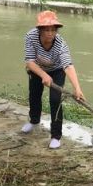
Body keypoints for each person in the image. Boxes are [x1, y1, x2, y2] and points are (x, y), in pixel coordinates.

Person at [21, 10, 84, 149]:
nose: (50, 33)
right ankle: (34, 121)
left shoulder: (60, 44)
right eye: (46, 30)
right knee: (34, 94)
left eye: (53, 30)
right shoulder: (31, 36)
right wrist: (43, 75)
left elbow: (68, 65)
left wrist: (77, 88)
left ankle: (56, 136)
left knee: (55, 100)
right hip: (37, 68)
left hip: (56, 70)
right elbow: (29, 61)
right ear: (40, 30)